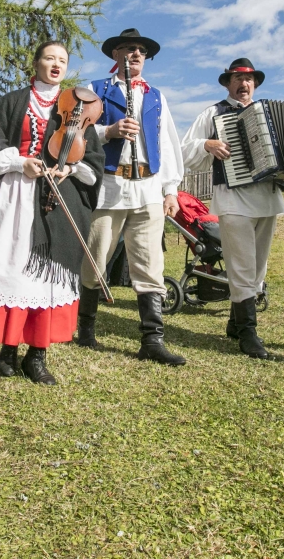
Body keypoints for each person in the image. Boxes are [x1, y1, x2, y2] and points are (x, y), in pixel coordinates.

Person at [0, 41, 103, 384]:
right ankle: (8, 349)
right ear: (36, 63)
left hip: (57, 200)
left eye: (62, 60)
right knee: (11, 271)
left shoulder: (79, 108)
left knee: (45, 278)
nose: (56, 64)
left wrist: (70, 169)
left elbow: (93, 162)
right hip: (14, 195)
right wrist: (20, 163)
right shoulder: (11, 102)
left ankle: (37, 356)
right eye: (49, 58)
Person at [77, 28, 187, 366]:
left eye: (140, 49)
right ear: (116, 55)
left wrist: (170, 189)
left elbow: (167, 144)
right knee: (95, 260)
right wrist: (108, 132)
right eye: (128, 48)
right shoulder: (95, 89)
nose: (136, 54)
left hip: (148, 188)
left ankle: (152, 340)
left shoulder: (156, 95)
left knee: (150, 264)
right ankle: (85, 328)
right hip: (110, 187)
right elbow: (75, 131)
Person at [181, 58, 284, 360]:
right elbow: (184, 149)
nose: (244, 83)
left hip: (268, 196)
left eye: (249, 79)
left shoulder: (268, 113)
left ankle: (235, 323)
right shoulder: (213, 113)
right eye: (237, 79)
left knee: (259, 265)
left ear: (255, 84)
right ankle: (248, 332)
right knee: (241, 265)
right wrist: (207, 145)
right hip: (233, 198)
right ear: (228, 83)